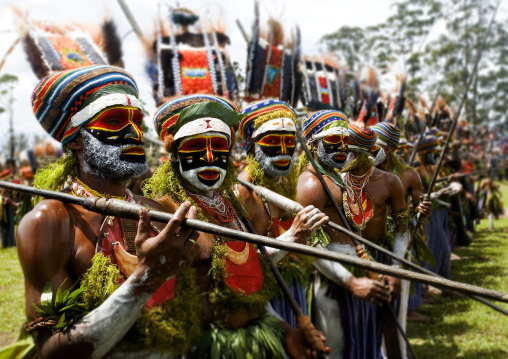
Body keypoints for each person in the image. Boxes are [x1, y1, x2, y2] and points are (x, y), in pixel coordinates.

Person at [17, 65, 199, 359]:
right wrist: (147, 278)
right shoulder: (51, 222)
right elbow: (51, 351)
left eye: (137, 121)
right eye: (114, 121)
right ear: (74, 139)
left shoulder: (155, 210)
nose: (135, 133)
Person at [144, 94, 327, 358]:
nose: (209, 158)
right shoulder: (166, 210)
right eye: (196, 147)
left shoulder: (229, 203)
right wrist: (291, 238)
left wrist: (284, 330)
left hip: (256, 334)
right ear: (174, 155)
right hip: (205, 346)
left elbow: (250, 274)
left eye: (219, 148)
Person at [297, 111, 390, 359]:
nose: (340, 148)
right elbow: (310, 246)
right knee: (338, 351)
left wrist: (368, 267)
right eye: (332, 141)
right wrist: (350, 281)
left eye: (343, 141)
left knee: (362, 344)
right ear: (314, 144)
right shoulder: (312, 184)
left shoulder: (335, 176)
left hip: (355, 272)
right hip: (334, 282)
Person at [237, 100, 328, 328]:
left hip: (292, 286)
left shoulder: (285, 181)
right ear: (252, 146)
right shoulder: (241, 193)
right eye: (272, 141)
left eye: (288, 141)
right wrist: (292, 237)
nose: (283, 150)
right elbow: (239, 265)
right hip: (260, 297)